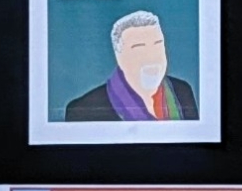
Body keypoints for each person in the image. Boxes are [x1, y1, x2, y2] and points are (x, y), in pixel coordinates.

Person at [64, 8, 199, 122]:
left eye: (157, 45)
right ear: (120, 57)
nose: (151, 57)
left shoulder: (182, 92)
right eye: (139, 49)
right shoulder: (84, 110)